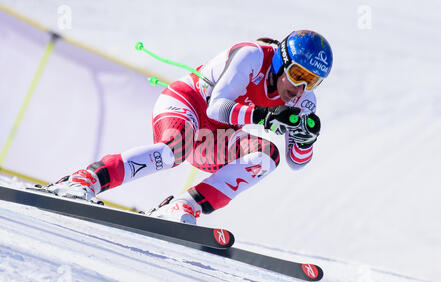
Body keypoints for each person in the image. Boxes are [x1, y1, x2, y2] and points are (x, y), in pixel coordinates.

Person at [44, 30, 333, 225]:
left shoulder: (305, 99)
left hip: (216, 135)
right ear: (281, 61)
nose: (301, 88)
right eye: (297, 74)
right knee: (174, 150)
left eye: (313, 80)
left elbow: (296, 162)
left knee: (267, 156)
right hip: (188, 105)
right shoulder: (253, 56)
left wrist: (306, 139)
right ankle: (85, 180)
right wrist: (265, 117)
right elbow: (216, 106)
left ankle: (183, 205)